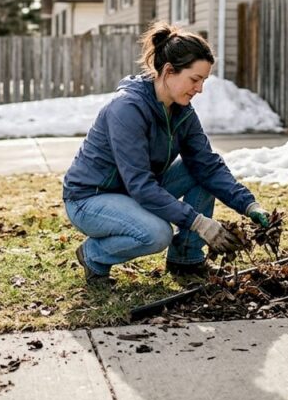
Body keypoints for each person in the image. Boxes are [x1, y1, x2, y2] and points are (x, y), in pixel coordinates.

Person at [62, 21, 271, 285]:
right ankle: (93, 255)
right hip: (90, 199)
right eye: (194, 79)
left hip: (133, 191)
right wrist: (199, 222)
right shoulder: (127, 109)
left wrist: (249, 204)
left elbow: (207, 165)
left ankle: (186, 258)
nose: (200, 89)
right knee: (157, 233)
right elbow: (140, 185)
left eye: (203, 81)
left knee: (200, 172)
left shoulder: (181, 111)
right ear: (169, 71)